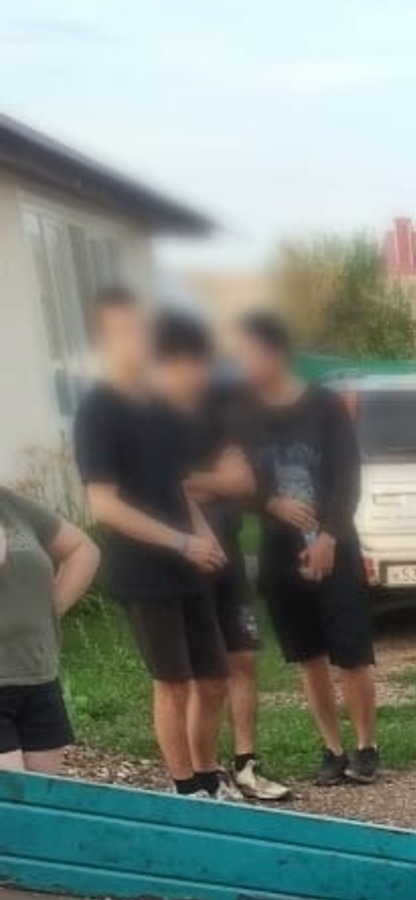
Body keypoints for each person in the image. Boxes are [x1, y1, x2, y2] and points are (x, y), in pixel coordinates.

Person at [72, 286, 234, 796]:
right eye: (122, 331)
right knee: (174, 684)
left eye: (141, 329)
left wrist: (202, 533)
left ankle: (209, 780)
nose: (136, 340)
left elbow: (176, 485)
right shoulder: (98, 410)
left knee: (215, 679)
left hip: (188, 565)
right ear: (102, 339)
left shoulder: (160, 408)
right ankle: (185, 790)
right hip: (142, 570)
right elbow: (103, 505)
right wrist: (181, 543)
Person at [148, 309, 290, 803]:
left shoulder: (216, 415)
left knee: (240, 658)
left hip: (226, 549)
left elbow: (243, 482)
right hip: (183, 561)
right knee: (190, 675)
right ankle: (195, 777)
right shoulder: (150, 420)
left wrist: (195, 483)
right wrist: (209, 482)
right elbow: (157, 487)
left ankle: (243, 764)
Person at [233, 312, 378, 786]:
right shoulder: (242, 415)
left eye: (247, 354)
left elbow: (348, 477)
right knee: (308, 655)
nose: (241, 364)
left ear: (275, 352)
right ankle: (332, 749)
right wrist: (270, 503)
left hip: (335, 545)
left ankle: (366, 746)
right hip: (280, 552)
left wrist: (331, 537)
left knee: (352, 652)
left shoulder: (324, 407)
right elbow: (236, 483)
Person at [0, 485, 99, 774]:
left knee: (40, 795)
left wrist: (49, 611)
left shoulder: (11, 505)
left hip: (37, 675)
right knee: (11, 793)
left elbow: (82, 550)